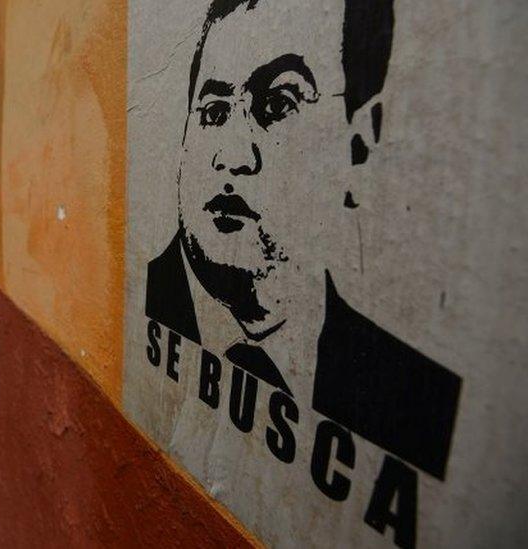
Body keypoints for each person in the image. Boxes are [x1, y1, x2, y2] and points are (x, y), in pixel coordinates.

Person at [143, 0, 461, 481]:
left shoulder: (414, 402)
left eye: (277, 105)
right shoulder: (140, 290)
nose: (233, 157)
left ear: (359, 144)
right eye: (212, 112)